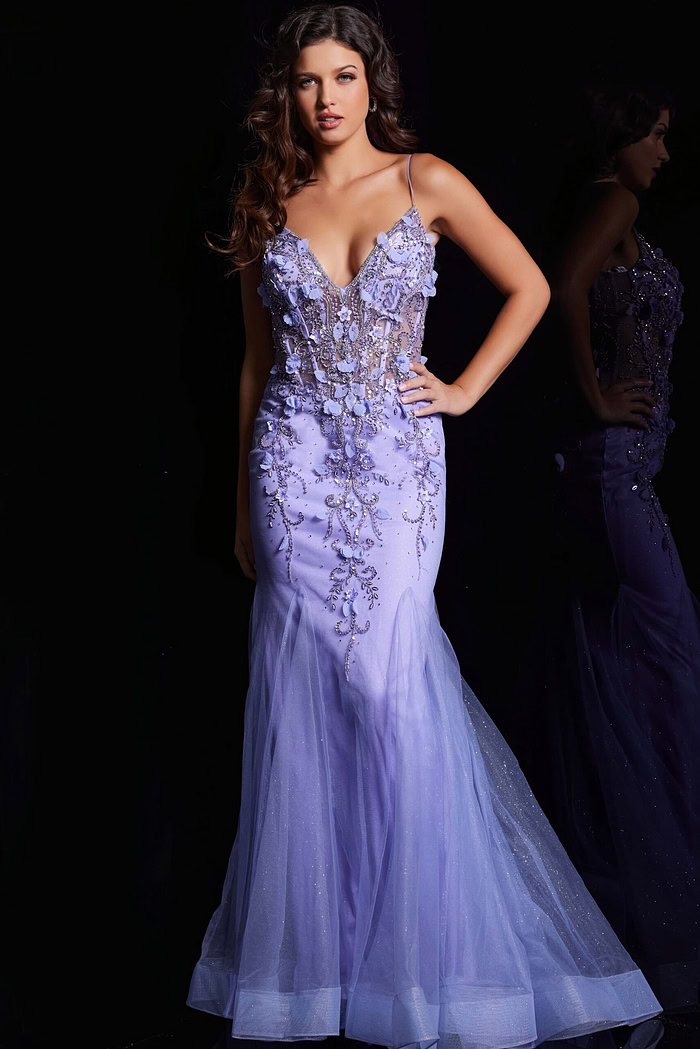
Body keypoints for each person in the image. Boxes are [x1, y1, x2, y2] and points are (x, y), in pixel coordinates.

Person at [186, 9, 662, 1048]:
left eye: (343, 76)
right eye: (307, 81)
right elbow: (256, 365)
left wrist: (463, 390)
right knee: (306, 693)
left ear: (372, 82)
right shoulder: (269, 198)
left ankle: (419, 965)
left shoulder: (425, 180)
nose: (326, 99)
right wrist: (240, 508)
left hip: (397, 467)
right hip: (291, 468)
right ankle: (317, 978)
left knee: (388, 687)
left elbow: (532, 285)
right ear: (287, 95)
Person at [542, 84, 700, 1013]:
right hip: (614, 477)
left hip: (622, 479)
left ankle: (631, 915)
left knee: (631, 679)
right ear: (625, 139)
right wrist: (599, 395)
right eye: (658, 138)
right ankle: (665, 908)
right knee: (669, 673)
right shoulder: (617, 201)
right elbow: (562, 287)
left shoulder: (617, 205)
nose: (665, 156)